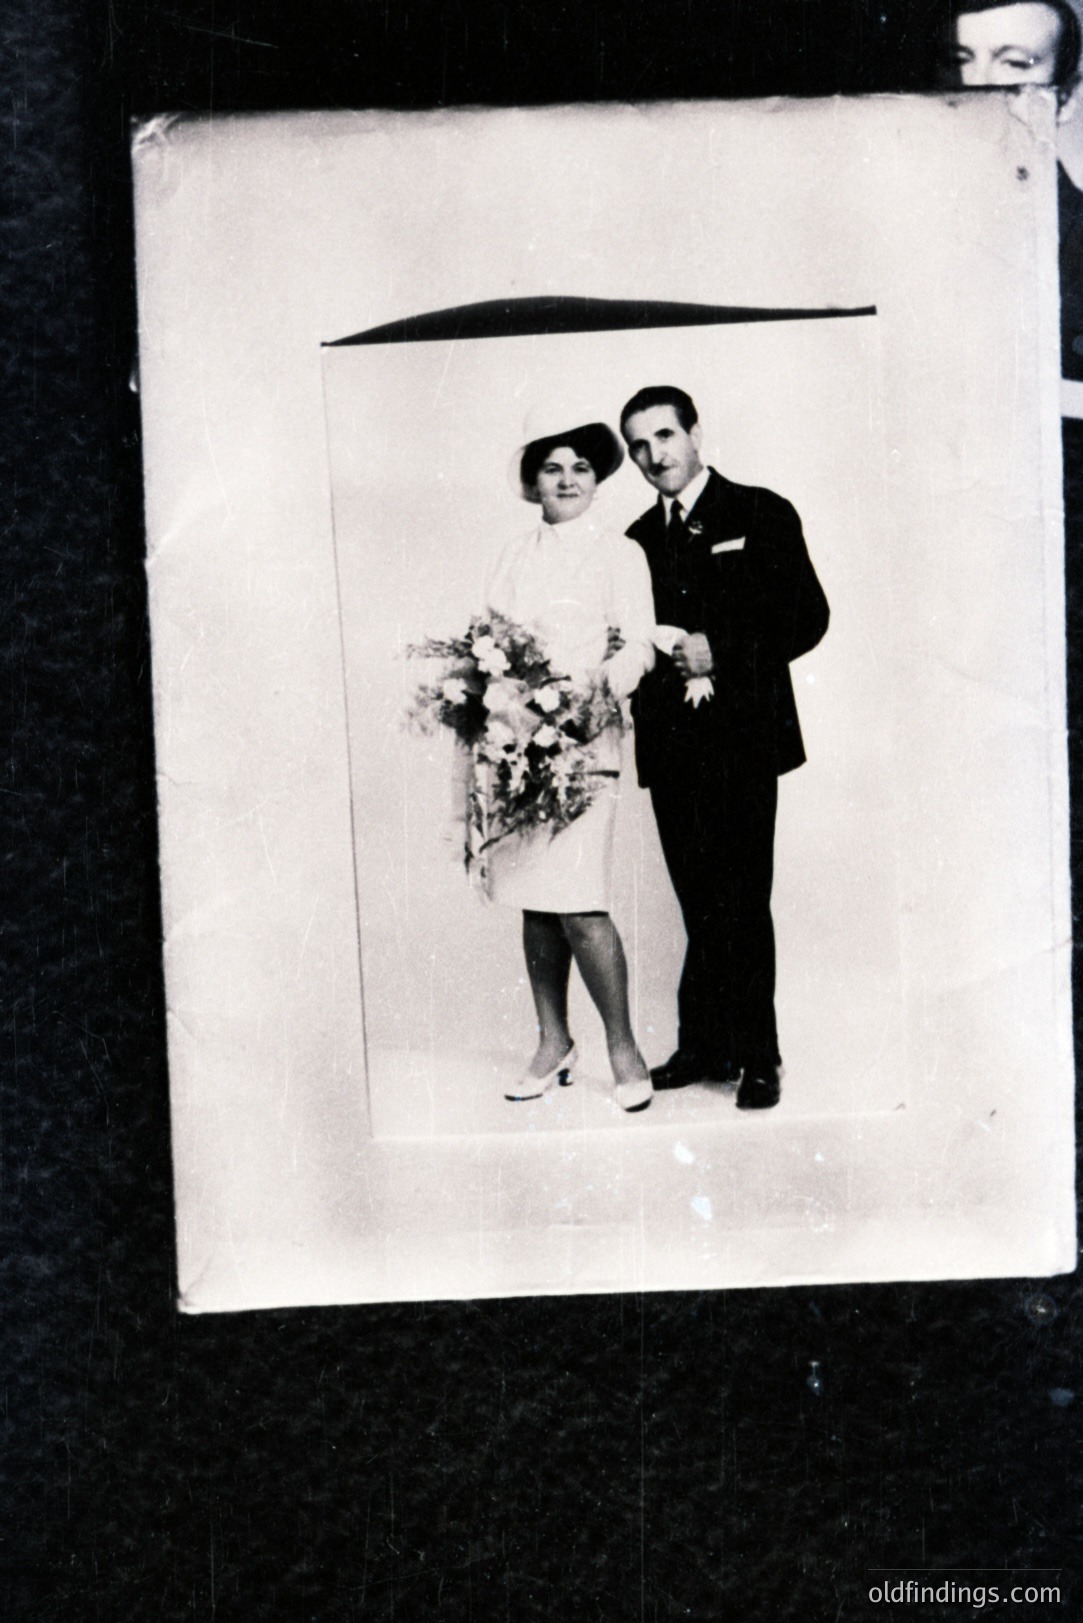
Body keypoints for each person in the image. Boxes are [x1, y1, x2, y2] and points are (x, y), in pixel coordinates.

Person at [619, 385, 829, 1111]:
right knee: (697, 902)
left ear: (695, 432)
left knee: (741, 899)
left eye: (665, 436)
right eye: (639, 446)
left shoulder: (759, 510)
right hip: (672, 750)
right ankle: (705, 1046)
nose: (655, 456)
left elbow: (807, 615)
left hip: (742, 743)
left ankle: (760, 1056)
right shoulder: (636, 540)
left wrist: (725, 650)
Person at [483, 410, 657, 1113]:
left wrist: (593, 696)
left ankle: (622, 1048)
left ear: (596, 480)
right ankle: (552, 1041)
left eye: (579, 467)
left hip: (587, 742)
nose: (566, 478)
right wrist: (510, 708)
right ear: (535, 482)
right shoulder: (513, 555)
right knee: (536, 901)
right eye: (552, 468)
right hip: (518, 743)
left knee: (581, 904)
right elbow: (486, 642)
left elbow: (638, 643)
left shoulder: (620, 553)